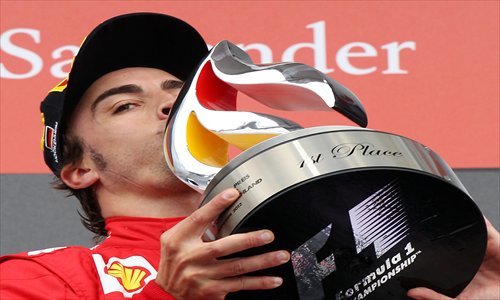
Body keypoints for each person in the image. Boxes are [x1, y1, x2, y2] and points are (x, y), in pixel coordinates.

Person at [0, 12, 498, 300]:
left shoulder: (348, 257)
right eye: (126, 104)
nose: (171, 103)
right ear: (79, 168)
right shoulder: (44, 279)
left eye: (181, 89)